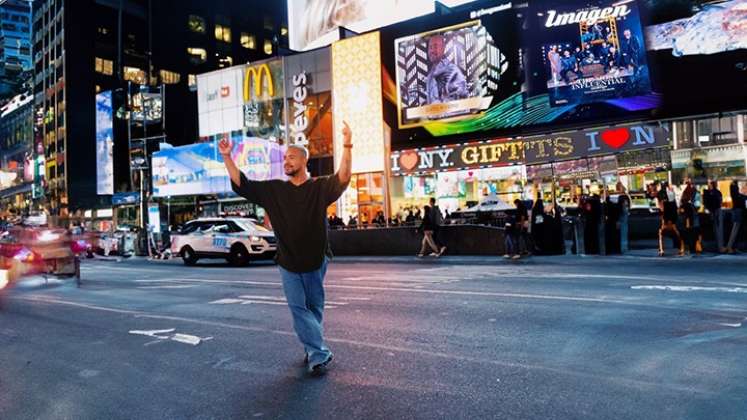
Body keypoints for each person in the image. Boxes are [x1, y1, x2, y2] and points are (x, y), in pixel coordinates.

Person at [221, 120, 353, 376]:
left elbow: (344, 177)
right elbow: (242, 183)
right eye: (285, 158)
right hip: (288, 262)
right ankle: (318, 353)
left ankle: (310, 344)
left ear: (305, 161)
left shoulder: (319, 187)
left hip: (316, 258)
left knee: (315, 308)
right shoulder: (274, 190)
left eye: (292, 157)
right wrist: (227, 157)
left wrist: (347, 144)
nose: (287, 161)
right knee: (298, 308)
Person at [425, 34, 468, 104]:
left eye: (435, 46)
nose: (432, 50)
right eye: (430, 47)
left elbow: (461, 101)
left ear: (443, 48)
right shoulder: (430, 76)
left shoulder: (452, 70)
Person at [657, 182, 684, 256]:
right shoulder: (670, 194)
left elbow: (662, 206)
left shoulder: (662, 194)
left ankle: (662, 250)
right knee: (676, 232)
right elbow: (674, 206)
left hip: (668, 215)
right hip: (671, 215)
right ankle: (681, 248)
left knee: (662, 233)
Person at [703, 180, 724, 253]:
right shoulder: (716, 192)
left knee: (715, 229)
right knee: (717, 229)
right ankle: (719, 246)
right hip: (716, 211)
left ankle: (718, 246)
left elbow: (706, 203)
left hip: (713, 211)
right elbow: (720, 202)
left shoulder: (709, 193)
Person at [726, 180, 746, 253]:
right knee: (735, 229)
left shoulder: (735, 194)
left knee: (736, 230)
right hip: (737, 211)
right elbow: (738, 197)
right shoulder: (736, 194)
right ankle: (730, 247)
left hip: (736, 210)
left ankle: (731, 246)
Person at [616, 182, 631, 253]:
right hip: (625, 215)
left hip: (622, 215)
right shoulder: (626, 196)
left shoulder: (621, 197)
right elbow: (628, 206)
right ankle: (625, 247)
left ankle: (623, 248)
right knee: (624, 232)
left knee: (622, 232)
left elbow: (619, 208)